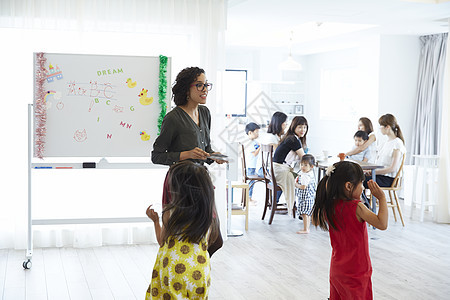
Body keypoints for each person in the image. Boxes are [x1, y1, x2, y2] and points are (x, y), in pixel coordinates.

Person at [312, 161, 388, 300]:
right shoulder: (357, 207)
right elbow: (382, 224)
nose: (362, 189)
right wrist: (382, 198)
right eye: (361, 184)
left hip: (336, 270)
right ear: (348, 186)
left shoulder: (330, 206)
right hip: (356, 271)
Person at [145, 161, 221, 299]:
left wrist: (156, 221)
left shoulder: (170, 212)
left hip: (173, 270)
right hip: (200, 271)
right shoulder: (208, 216)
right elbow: (206, 244)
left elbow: (162, 241)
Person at [151, 66, 224, 166]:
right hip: (180, 178)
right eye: (199, 85)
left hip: (199, 177)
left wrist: (213, 155)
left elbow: (206, 149)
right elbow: (156, 156)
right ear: (186, 89)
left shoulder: (205, 112)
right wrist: (187, 154)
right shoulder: (173, 118)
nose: (205, 90)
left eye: (206, 85)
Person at [272, 116, 308, 215]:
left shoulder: (291, 137)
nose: (303, 130)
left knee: (301, 176)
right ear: (294, 127)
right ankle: (303, 209)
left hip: (277, 169)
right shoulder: (293, 139)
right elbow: (303, 157)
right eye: (300, 127)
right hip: (280, 170)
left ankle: (298, 205)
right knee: (306, 179)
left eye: (305, 127)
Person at [364, 113, 406, 188]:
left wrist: (373, 172)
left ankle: (364, 200)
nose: (380, 128)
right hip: (380, 176)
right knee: (357, 179)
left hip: (388, 179)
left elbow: (393, 168)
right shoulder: (386, 142)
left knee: (358, 181)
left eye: (381, 126)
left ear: (387, 127)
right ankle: (364, 199)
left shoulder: (397, 143)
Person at [294, 154, 316, 234]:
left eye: (305, 165)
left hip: (305, 198)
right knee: (307, 213)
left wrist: (296, 185)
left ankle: (306, 229)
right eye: (302, 164)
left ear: (311, 166)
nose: (303, 167)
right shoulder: (310, 174)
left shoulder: (305, 176)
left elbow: (303, 187)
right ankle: (306, 228)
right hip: (309, 197)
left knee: (305, 213)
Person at [245, 122, 261, 205]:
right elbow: (254, 153)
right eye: (256, 132)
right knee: (251, 182)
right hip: (250, 165)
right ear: (250, 132)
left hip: (252, 165)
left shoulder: (254, 141)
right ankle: (249, 198)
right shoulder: (249, 142)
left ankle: (249, 198)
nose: (258, 134)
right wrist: (260, 147)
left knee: (251, 182)